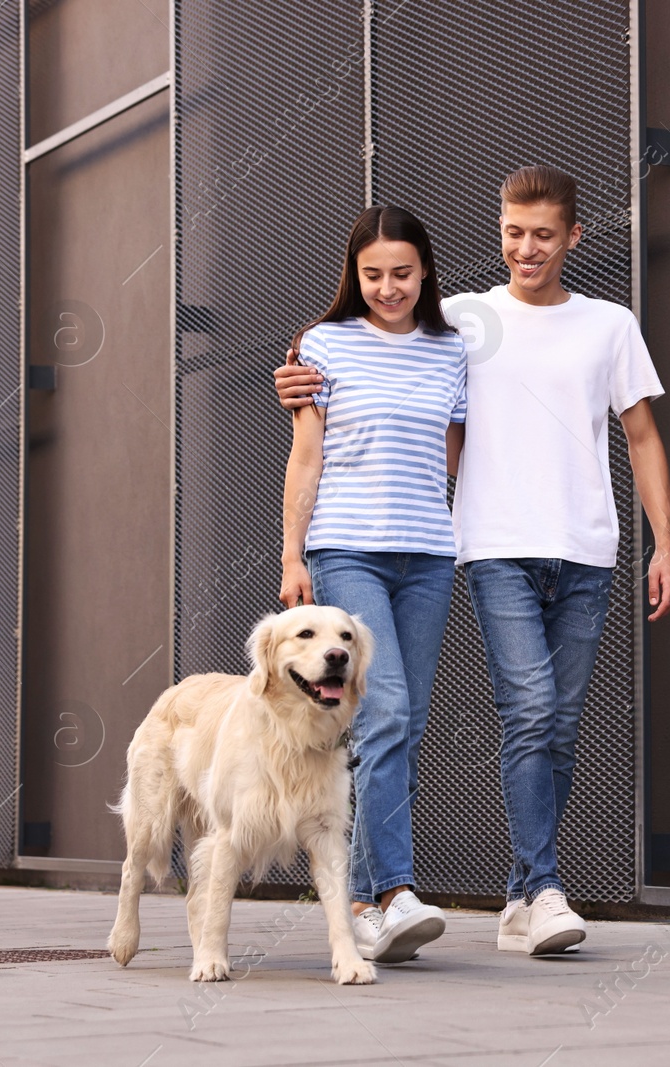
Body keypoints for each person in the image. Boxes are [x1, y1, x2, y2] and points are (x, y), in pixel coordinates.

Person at [276, 165, 670, 956]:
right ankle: (424, 891)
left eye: (541, 233)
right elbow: (343, 393)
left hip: (540, 549)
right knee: (482, 711)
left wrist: (667, 541)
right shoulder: (462, 322)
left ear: (573, 236)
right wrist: (292, 386)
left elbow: (636, 436)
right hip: (480, 547)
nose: (525, 248)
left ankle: (519, 898)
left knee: (549, 725)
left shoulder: (582, 326)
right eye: (511, 231)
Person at [278, 205, 467, 964]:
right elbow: (306, 456)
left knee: (405, 722)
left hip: (427, 554)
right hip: (348, 547)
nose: (388, 288)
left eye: (402, 274)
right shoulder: (323, 345)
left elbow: (457, 459)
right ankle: (389, 891)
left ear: (425, 273)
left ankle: (359, 899)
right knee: (382, 708)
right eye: (373, 275)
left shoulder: (452, 350)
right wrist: (293, 555)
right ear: (353, 277)